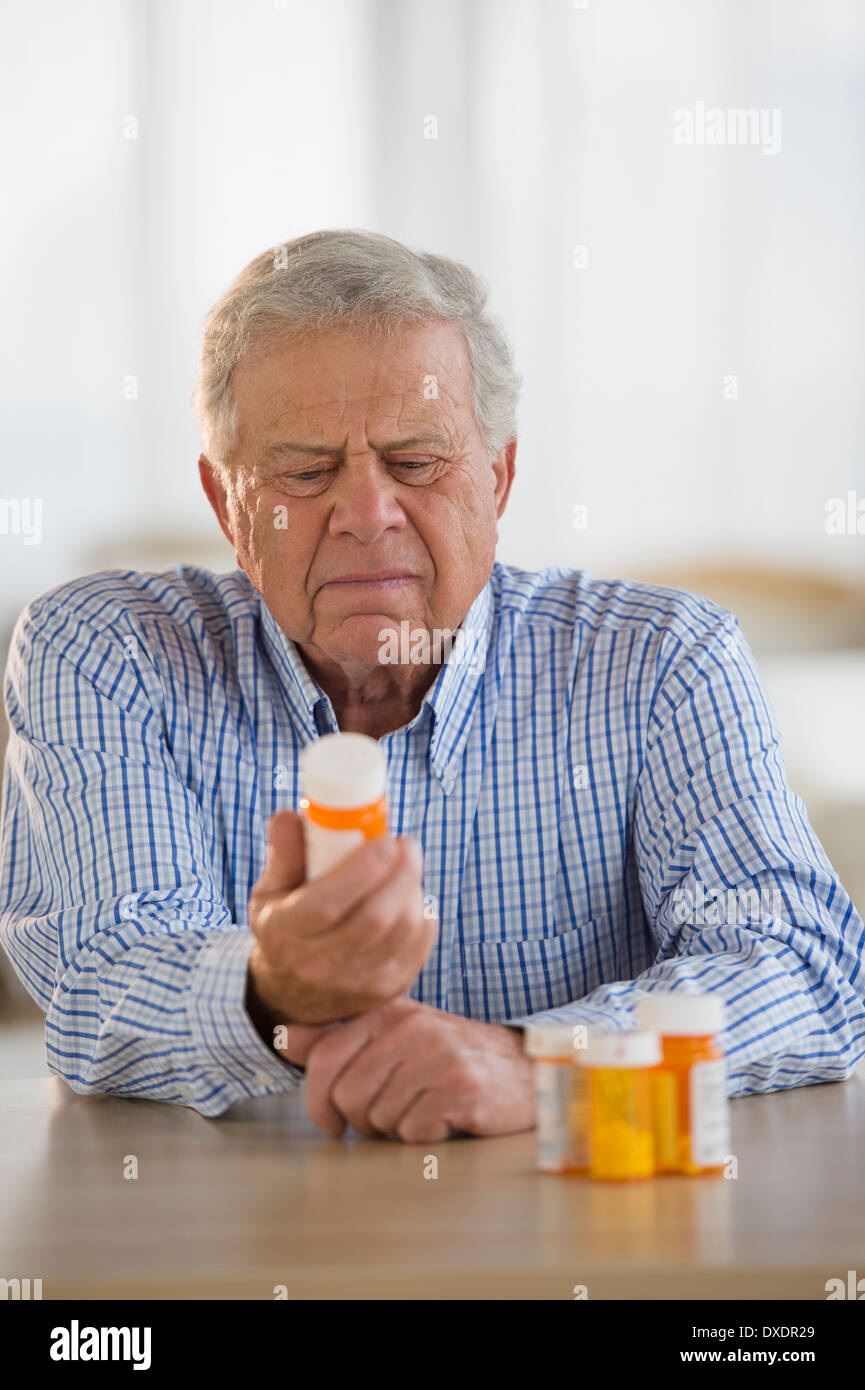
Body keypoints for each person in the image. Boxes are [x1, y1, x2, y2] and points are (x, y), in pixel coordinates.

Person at [2, 230, 863, 1143]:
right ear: (227, 502)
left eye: (416, 464)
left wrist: (538, 1065)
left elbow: (805, 975)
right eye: (305, 471)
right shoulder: (105, 650)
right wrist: (268, 990)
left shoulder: (663, 662)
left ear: (497, 477)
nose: (368, 517)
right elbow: (98, 992)